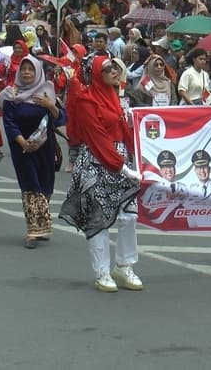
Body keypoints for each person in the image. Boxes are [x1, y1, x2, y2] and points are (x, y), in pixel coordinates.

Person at [59, 56, 143, 293]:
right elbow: (97, 138)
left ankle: (124, 266)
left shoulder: (116, 97)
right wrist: (122, 167)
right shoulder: (87, 101)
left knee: (129, 216)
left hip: (119, 159)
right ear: (96, 74)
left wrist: (136, 157)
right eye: (107, 69)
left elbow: (123, 131)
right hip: (97, 163)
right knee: (99, 220)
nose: (114, 71)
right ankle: (102, 272)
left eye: (115, 67)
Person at [0, 55, 67, 249]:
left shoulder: (47, 92)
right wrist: (23, 142)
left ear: (38, 71)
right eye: (24, 69)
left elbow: (61, 118)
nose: (27, 73)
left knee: (45, 185)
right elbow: (9, 122)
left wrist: (50, 106)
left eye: (31, 69)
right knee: (31, 186)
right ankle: (32, 231)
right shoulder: (12, 94)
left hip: (45, 147)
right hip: (23, 148)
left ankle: (42, 226)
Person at [140, 150, 188, 224]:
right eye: (165, 167)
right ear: (161, 170)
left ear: (175, 169)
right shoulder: (152, 188)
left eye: (171, 166)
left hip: (179, 225)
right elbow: (144, 207)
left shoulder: (182, 187)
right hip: (158, 225)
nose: (169, 170)